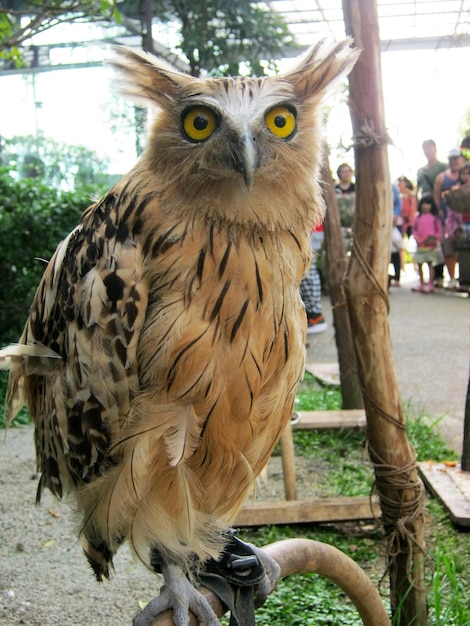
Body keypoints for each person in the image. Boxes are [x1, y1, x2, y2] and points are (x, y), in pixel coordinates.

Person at [434, 148, 466, 288]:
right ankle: (452, 279)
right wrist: (438, 212)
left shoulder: (467, 175)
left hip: (465, 219)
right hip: (447, 219)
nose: (454, 162)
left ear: (462, 159)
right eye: (451, 159)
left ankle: (465, 279)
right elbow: (436, 197)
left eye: (456, 159)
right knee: (449, 249)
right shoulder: (442, 177)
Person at [417, 139, 447, 286]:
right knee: (427, 243)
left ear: (435, 149)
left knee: (438, 242)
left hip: (440, 206)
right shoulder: (421, 171)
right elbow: (418, 190)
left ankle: (439, 276)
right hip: (425, 208)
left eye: (429, 148)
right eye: (425, 148)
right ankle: (430, 279)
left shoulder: (443, 167)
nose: (427, 151)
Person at [411, 195, 443, 293]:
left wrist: (435, 238)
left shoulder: (434, 218)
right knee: (420, 264)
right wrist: (417, 238)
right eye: (424, 204)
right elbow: (414, 230)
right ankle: (421, 283)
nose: (425, 206)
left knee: (430, 264)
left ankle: (430, 283)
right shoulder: (417, 218)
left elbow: (439, 231)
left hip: (430, 245)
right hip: (420, 246)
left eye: (428, 204)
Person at [300, 224, 327, 334]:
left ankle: (314, 316)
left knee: (307, 269)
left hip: (309, 227)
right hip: (308, 227)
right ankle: (312, 313)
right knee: (306, 268)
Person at [390, 183, 403, 286]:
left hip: (393, 221)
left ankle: (397, 276)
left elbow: (399, 203)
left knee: (395, 251)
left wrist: (395, 215)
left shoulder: (393, 187)